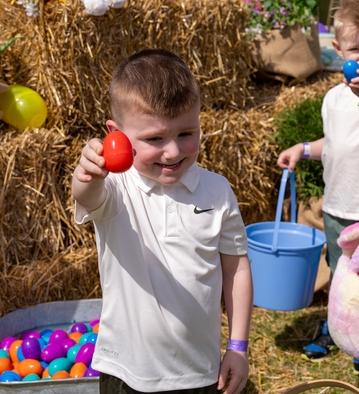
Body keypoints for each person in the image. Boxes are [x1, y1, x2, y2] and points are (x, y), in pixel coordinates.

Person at [72, 49, 253, 394]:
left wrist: (238, 347)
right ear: (117, 134)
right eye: (155, 139)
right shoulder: (116, 188)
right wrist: (88, 172)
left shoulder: (217, 191)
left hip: (200, 371)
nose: (173, 152)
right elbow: (86, 195)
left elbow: (236, 269)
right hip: (127, 371)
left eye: (186, 133)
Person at [277, 0, 359, 373]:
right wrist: (303, 148)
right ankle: (335, 327)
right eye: (355, 50)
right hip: (337, 207)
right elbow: (334, 144)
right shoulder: (333, 98)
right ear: (338, 48)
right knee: (341, 272)